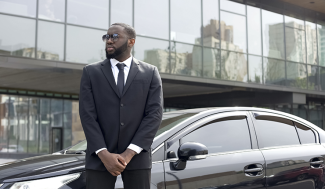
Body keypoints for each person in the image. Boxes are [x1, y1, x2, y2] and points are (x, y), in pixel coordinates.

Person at [79, 23, 163, 189]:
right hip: (99, 158)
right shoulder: (91, 72)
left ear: (131, 42)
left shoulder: (150, 72)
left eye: (115, 37)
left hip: (137, 158)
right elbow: (87, 115)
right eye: (107, 37)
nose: (109, 41)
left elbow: (154, 115)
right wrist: (103, 154)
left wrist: (129, 153)